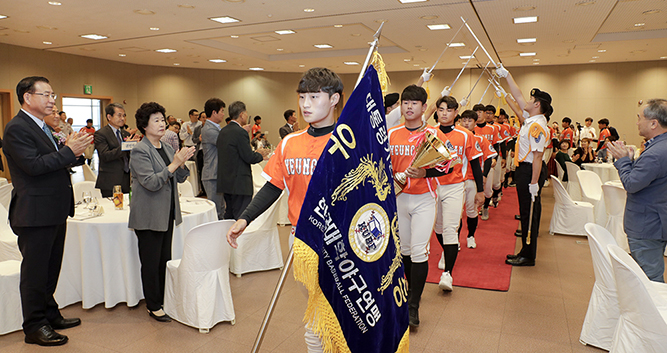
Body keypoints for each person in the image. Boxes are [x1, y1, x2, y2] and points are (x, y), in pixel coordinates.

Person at [226, 67, 343, 351]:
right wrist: (245, 218)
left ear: (334, 99)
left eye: (315, 97)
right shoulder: (290, 142)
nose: (305, 105)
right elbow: (273, 186)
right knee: (317, 306)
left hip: (341, 243)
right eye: (302, 97)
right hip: (302, 239)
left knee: (338, 312)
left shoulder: (348, 142)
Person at [4, 76, 92, 346]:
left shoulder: (44, 127)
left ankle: (49, 313)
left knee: (51, 268)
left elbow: (56, 163)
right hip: (34, 212)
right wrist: (68, 151)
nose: (52, 100)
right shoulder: (17, 129)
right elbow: (33, 166)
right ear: (27, 98)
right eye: (46, 94)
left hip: (54, 208)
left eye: (53, 95)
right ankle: (33, 326)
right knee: (35, 272)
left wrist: (76, 152)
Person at [388, 84, 450, 327]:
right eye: (405, 102)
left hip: (424, 199)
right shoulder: (392, 134)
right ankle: (408, 293)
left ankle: (413, 306)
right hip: (399, 198)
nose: (409, 107)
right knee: (403, 250)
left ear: (425, 107)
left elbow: (448, 165)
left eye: (414, 103)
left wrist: (426, 172)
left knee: (418, 251)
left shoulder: (433, 134)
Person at [128, 102, 194, 322]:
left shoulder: (165, 147)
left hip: (167, 212)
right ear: (144, 126)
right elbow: (151, 182)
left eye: (162, 119)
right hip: (148, 214)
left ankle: (163, 298)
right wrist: (174, 164)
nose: (161, 123)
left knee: (164, 258)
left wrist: (182, 162)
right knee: (150, 260)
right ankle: (153, 304)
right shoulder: (139, 150)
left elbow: (181, 177)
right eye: (155, 120)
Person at [497, 65, 551, 267]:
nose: (526, 101)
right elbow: (518, 96)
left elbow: (538, 157)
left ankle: (528, 255)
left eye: (531, 100)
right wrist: (507, 76)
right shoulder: (532, 119)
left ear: (537, 104)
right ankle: (525, 250)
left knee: (529, 214)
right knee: (527, 211)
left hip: (530, 171)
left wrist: (534, 183)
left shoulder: (537, 125)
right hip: (525, 170)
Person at [608, 99, 667, 282]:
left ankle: (655, 311)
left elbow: (632, 184)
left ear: (653, 123)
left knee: (649, 279)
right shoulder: (658, 147)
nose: (637, 122)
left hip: (646, 224)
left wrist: (623, 161)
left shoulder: (656, 153)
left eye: (639, 118)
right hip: (655, 222)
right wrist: (632, 162)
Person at [432, 96, 483, 292]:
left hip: (455, 187)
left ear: (455, 113)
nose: (444, 113)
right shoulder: (429, 133)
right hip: (431, 187)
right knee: (437, 228)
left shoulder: (465, 135)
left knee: (450, 228)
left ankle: (448, 275)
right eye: (441, 109)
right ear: (436, 111)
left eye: (448, 110)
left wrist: (479, 190)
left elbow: (475, 164)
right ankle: (446, 251)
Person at [216, 101, 270, 219]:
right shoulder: (240, 132)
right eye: (246, 113)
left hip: (226, 181)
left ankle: (228, 237)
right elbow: (248, 157)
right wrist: (261, 155)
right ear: (241, 115)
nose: (246, 116)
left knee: (229, 215)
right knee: (240, 217)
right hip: (239, 183)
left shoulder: (223, 131)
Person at [459, 109, 497, 248]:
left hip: (471, 179)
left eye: (469, 120)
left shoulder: (480, 139)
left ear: (475, 123)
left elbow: (488, 158)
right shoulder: (455, 136)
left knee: (471, 211)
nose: (466, 123)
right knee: (456, 214)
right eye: (464, 120)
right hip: (455, 181)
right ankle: (454, 240)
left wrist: (484, 176)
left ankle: (470, 236)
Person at [94, 103, 136, 197]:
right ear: (109, 117)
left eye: (124, 115)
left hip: (126, 178)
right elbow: (105, 155)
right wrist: (125, 146)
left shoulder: (125, 133)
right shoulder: (101, 134)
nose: (122, 118)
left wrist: (134, 146)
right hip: (110, 180)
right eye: (119, 115)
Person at [473, 103, 499, 220]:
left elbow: (496, 145)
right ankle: (473, 210)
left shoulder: (492, 128)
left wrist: (495, 159)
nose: (478, 114)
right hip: (473, 163)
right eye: (476, 112)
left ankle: (486, 207)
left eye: (480, 112)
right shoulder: (470, 129)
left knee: (488, 189)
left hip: (488, 162)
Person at [202, 98, 226, 219]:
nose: (223, 114)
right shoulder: (209, 129)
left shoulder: (216, 128)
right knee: (215, 211)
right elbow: (226, 143)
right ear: (214, 112)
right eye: (221, 111)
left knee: (221, 209)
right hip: (212, 174)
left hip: (217, 174)